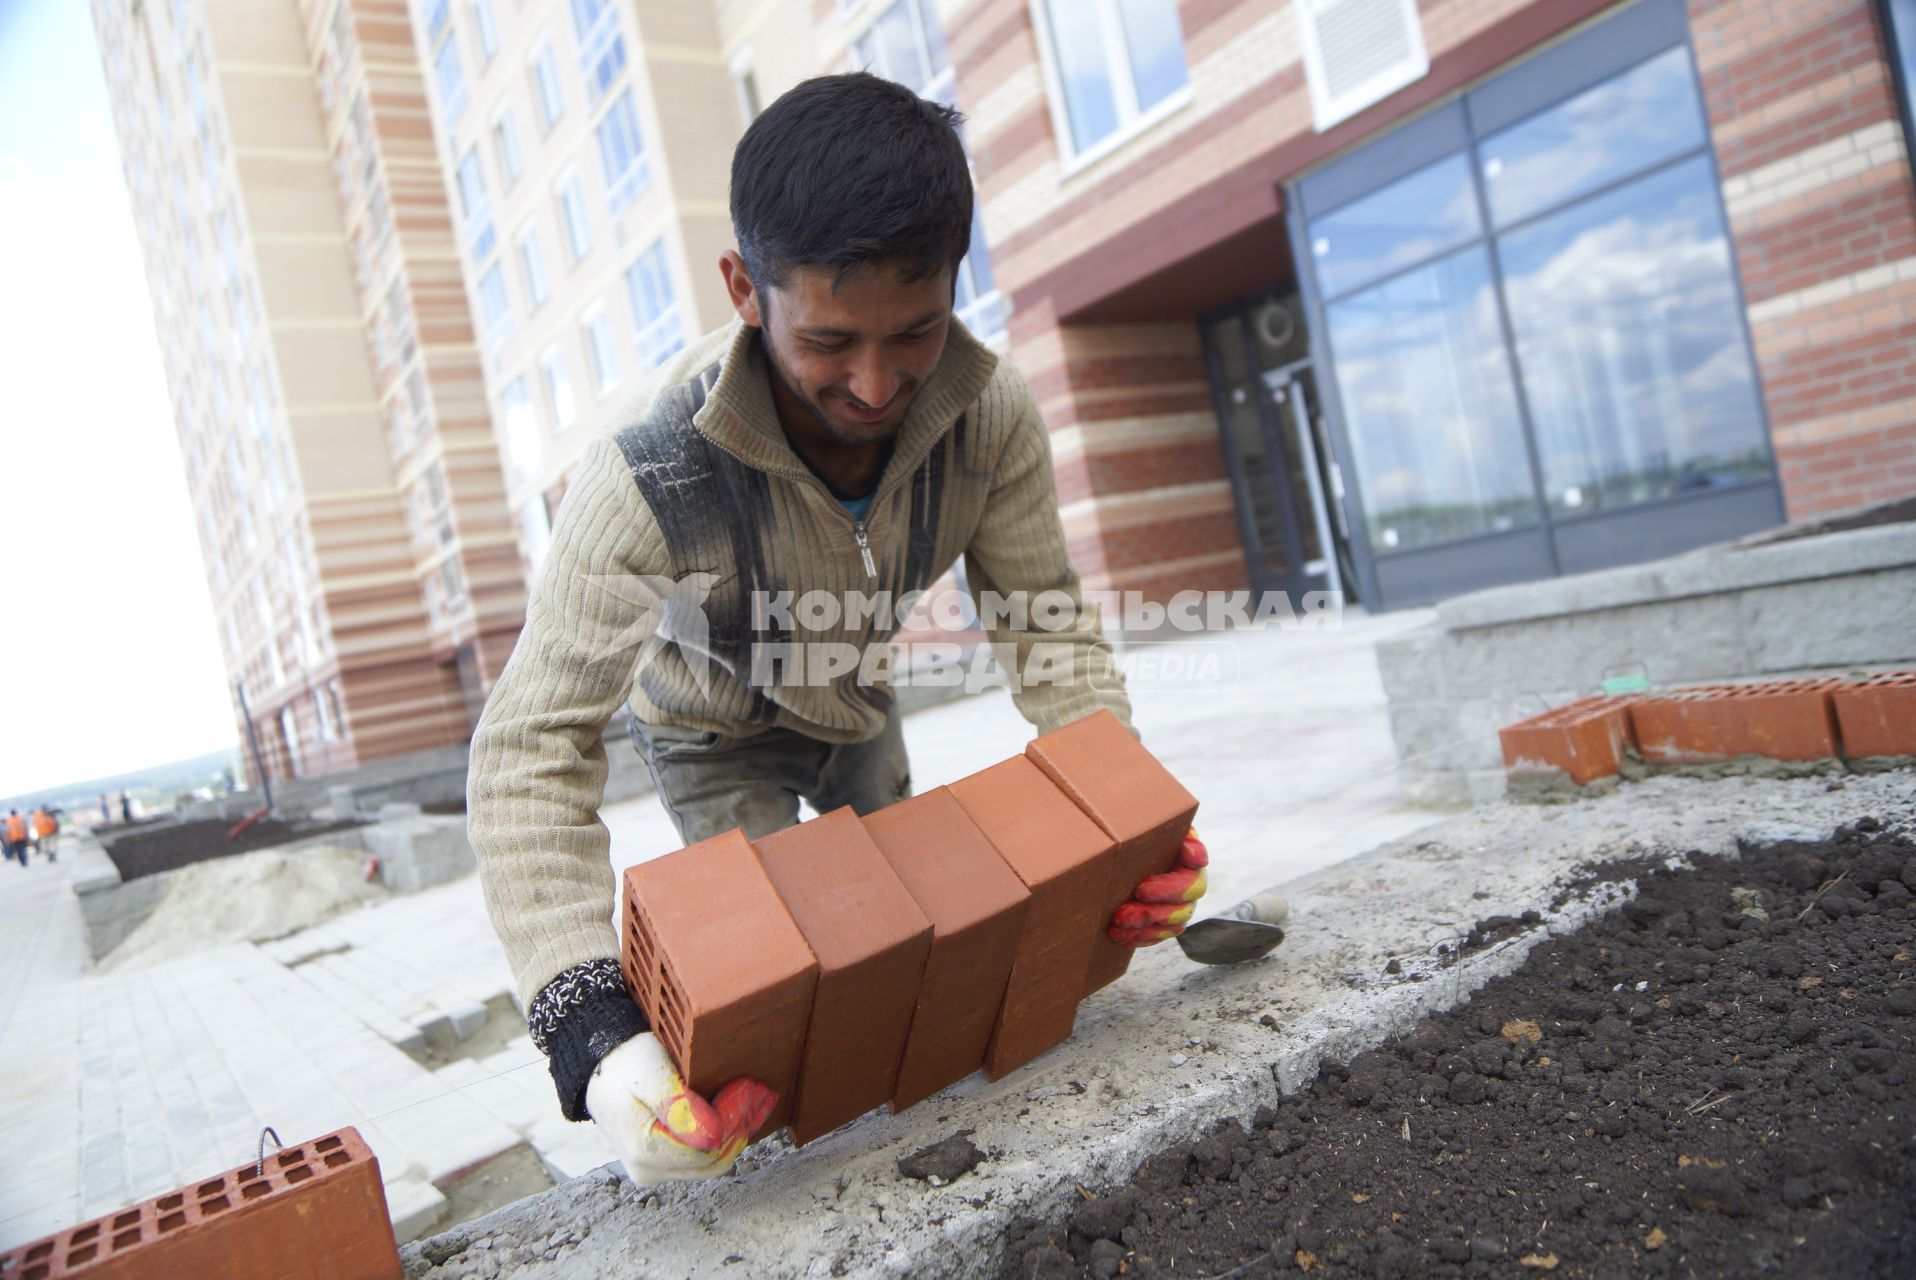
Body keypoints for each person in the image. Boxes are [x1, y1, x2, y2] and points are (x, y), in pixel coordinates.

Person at [466, 73, 1208, 1188]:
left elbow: (1046, 630)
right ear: (743, 289)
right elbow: (528, 747)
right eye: (828, 341)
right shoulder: (646, 475)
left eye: (914, 330)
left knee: (924, 935)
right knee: (789, 978)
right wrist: (592, 1031)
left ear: (958, 274)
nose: (874, 384)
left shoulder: (987, 418)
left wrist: (1131, 822)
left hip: (854, 707)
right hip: (711, 734)